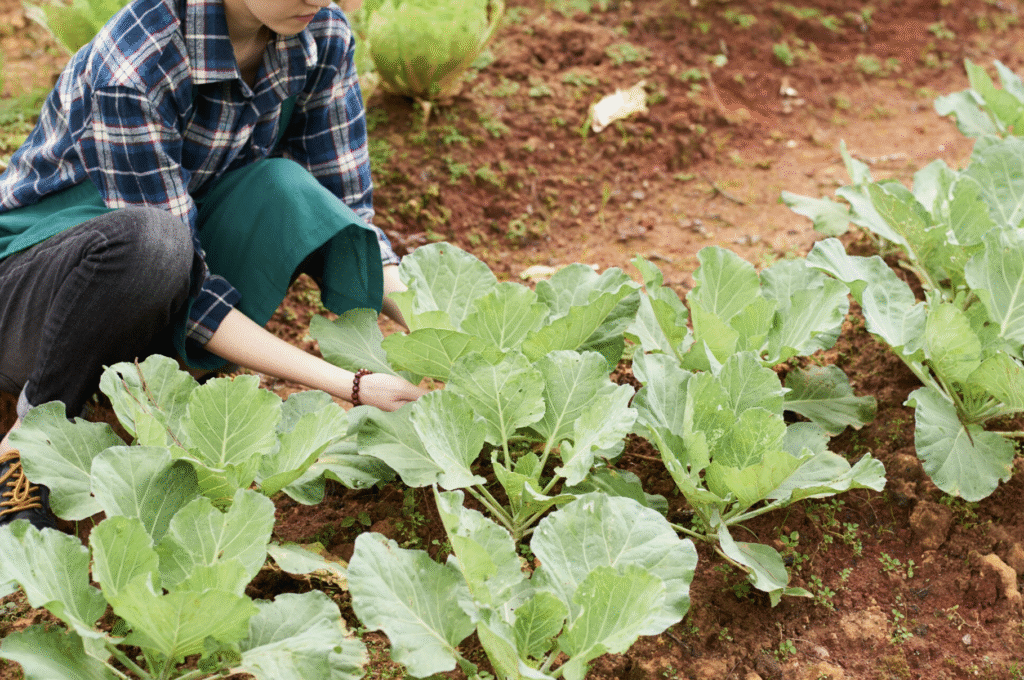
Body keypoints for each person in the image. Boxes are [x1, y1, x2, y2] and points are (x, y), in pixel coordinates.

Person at [0, 0, 427, 530]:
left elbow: (346, 209)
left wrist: (439, 330)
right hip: (29, 296)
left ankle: (147, 385)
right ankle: (30, 439)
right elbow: (189, 288)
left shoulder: (319, 30)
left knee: (285, 188)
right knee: (157, 243)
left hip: (156, 278)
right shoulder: (137, 63)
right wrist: (350, 384)